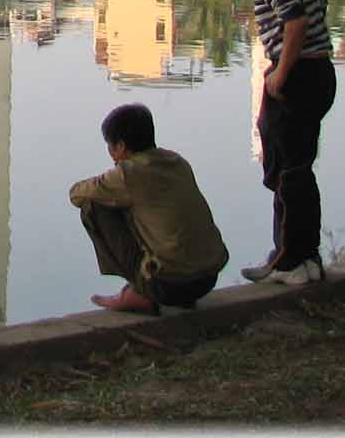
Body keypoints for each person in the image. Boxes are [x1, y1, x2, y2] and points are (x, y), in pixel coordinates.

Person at [216, 0, 337, 285]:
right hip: (318, 72)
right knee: (297, 167)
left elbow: (296, 21)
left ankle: (289, 262)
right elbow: (319, 1)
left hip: (300, 75)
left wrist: (281, 73)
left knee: (288, 172)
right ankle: (302, 257)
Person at [68, 103, 229, 314]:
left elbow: (76, 194)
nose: (110, 153)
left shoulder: (129, 174)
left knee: (94, 206)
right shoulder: (178, 161)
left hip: (170, 285)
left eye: (110, 146)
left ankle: (139, 291)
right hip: (208, 278)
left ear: (121, 146)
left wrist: (115, 185)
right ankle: (153, 284)